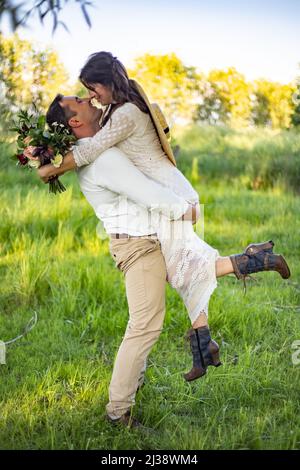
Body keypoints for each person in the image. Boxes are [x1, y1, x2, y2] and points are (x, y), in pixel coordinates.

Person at [39, 51, 291, 396]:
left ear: (107, 82)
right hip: (165, 201)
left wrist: (48, 167)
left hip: (170, 195)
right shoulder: (116, 112)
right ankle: (215, 326)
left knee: (185, 270)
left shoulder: (124, 113)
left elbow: (89, 150)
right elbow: (90, 150)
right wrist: (43, 155)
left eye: (90, 89)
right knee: (184, 269)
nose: (89, 96)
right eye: (83, 95)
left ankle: (213, 330)